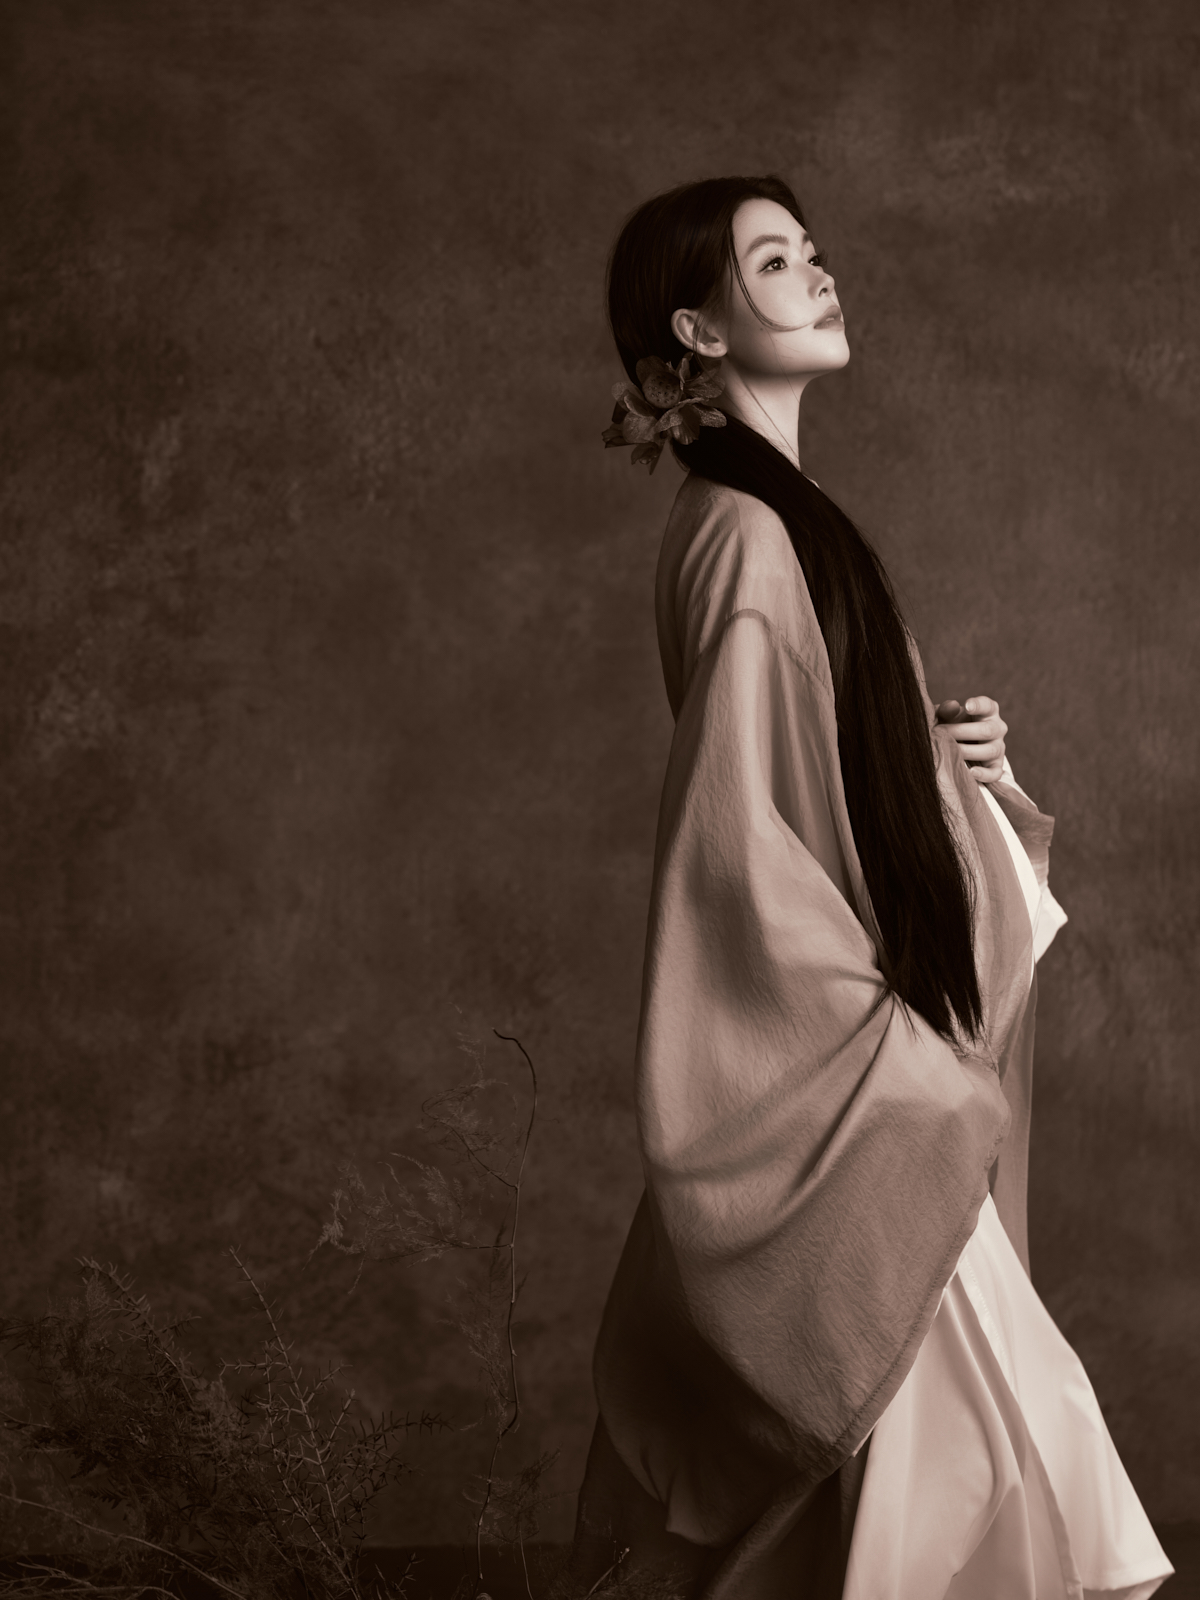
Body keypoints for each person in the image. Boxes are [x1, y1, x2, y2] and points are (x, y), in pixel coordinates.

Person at [570, 176, 1172, 1600]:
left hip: (879, 1089)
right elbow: (741, 860)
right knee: (998, 1494)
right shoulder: (746, 538)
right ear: (697, 329)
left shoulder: (783, 524)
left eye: (814, 251)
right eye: (776, 261)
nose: (820, 274)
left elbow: (823, 791)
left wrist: (954, 773)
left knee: (984, 1497)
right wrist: (900, 1070)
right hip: (855, 1102)